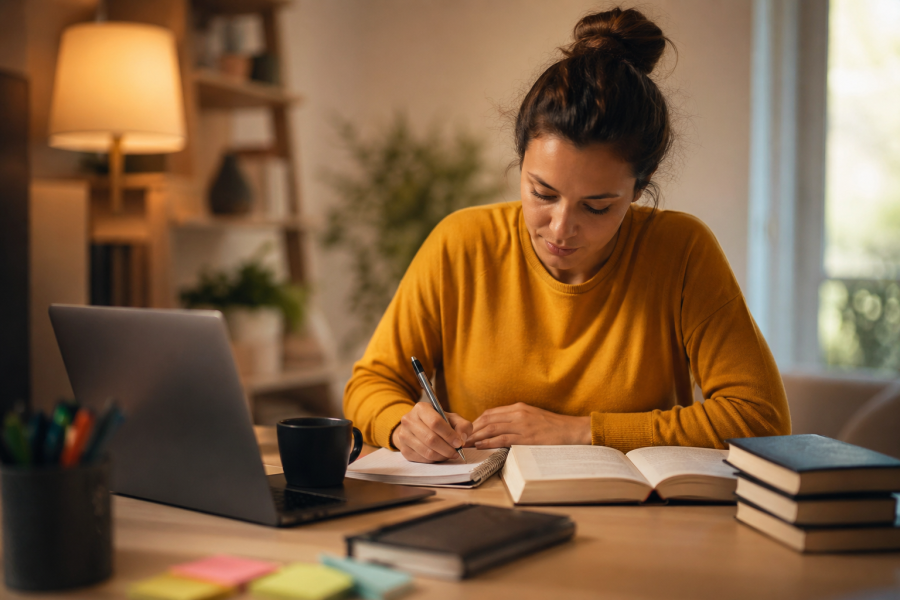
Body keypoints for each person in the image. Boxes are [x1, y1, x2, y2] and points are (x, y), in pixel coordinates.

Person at [343, 7, 791, 464]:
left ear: (639, 186)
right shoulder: (461, 244)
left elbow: (761, 418)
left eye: (597, 206)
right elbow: (370, 384)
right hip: (483, 514)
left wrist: (579, 432)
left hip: (640, 522)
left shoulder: (681, 251)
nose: (560, 228)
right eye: (542, 193)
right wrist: (403, 426)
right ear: (520, 161)